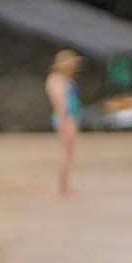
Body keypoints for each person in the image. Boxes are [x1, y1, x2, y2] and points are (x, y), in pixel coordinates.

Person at [47, 51, 83, 195]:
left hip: (68, 117)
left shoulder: (60, 79)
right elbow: (60, 101)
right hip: (66, 118)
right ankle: (64, 188)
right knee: (66, 154)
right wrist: (65, 120)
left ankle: (65, 186)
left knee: (68, 154)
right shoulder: (57, 80)